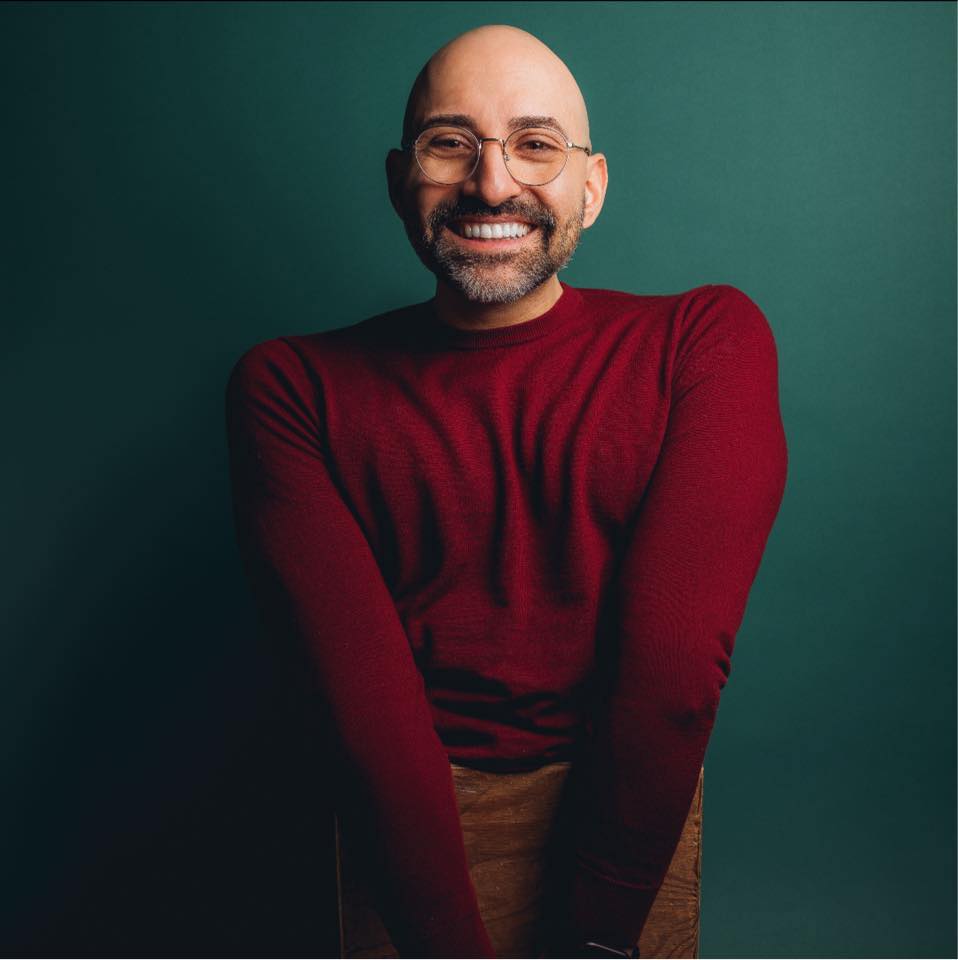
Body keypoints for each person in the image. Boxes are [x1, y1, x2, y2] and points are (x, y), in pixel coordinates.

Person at [224, 23, 788, 959]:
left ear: (592, 186)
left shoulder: (704, 340)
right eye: (452, 143)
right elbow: (359, 704)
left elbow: (675, 667)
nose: (492, 185)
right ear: (401, 178)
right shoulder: (292, 386)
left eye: (536, 144)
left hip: (628, 838)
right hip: (403, 855)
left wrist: (597, 941)